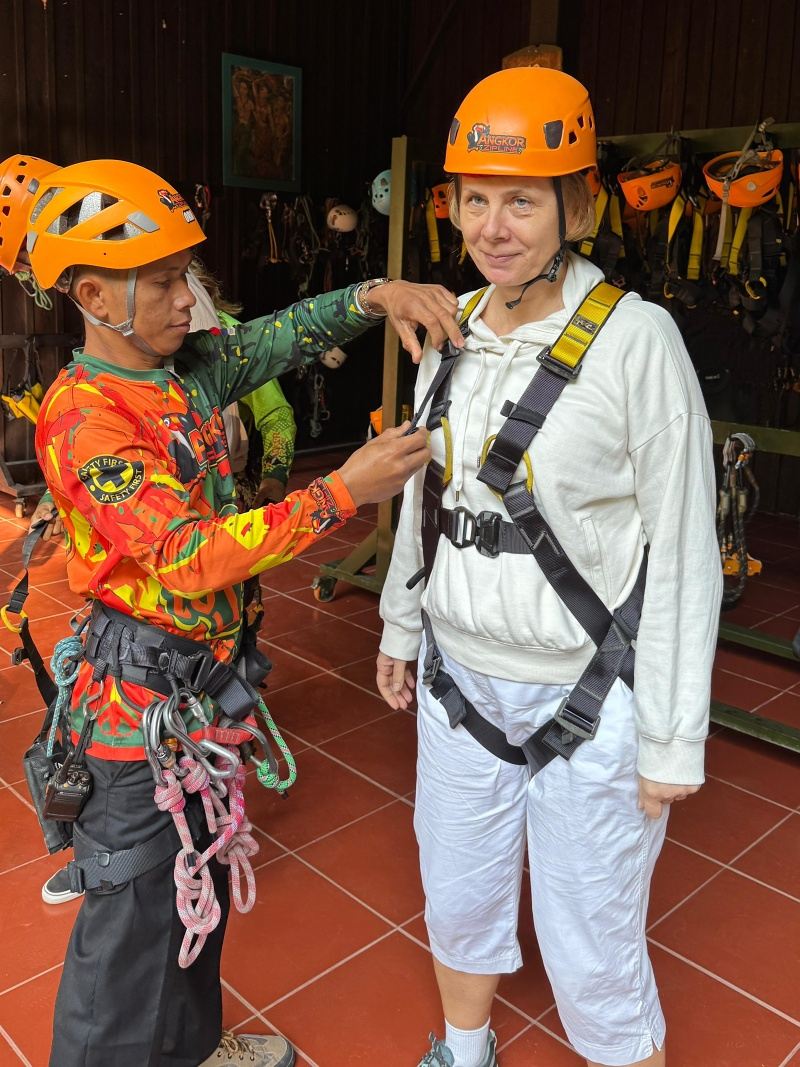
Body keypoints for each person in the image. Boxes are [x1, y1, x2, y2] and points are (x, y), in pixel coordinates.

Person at [24, 156, 461, 1067]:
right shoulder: (85, 418)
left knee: (200, 892)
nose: (191, 298)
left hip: (195, 701)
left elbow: (279, 336)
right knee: (133, 933)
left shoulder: (182, 369)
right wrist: (342, 491)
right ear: (94, 296)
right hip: (134, 716)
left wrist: (379, 293)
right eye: (166, 281)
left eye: (188, 273)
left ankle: (192, 1053)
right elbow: (187, 557)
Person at [376, 67, 722, 1067]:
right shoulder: (450, 335)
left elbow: (685, 547)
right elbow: (423, 496)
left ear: (573, 203)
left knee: (591, 934)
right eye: (474, 199)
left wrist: (669, 734)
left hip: (590, 693)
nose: (492, 226)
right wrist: (403, 627)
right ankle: (462, 1046)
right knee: (458, 886)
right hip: (458, 683)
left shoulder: (634, 341)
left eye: (520, 199)